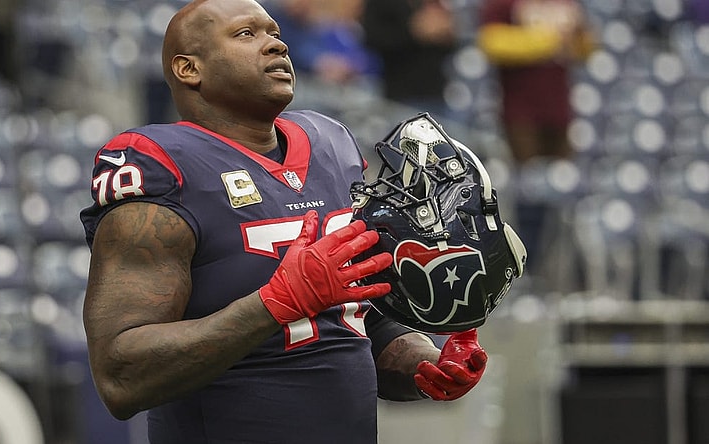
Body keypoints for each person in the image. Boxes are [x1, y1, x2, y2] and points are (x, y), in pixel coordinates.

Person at [79, 0, 488, 442]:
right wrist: (275, 303)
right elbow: (121, 376)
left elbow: (353, 320)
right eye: (246, 34)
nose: (276, 45)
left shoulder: (331, 146)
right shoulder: (164, 166)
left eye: (274, 32)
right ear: (187, 69)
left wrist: (422, 364)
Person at [477, 0, 595, 164]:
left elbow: (584, 49)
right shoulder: (504, 3)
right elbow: (491, 42)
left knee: (562, 176)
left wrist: (579, 40)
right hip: (520, 111)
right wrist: (546, 41)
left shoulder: (566, 3)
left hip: (560, 108)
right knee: (526, 176)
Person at [362, 0, 457, 118]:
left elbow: (451, 45)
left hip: (435, 93)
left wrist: (444, 32)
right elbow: (373, 39)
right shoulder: (381, 4)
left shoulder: (433, 4)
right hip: (399, 94)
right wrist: (413, 31)